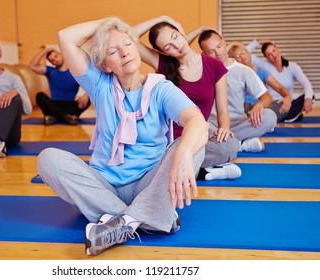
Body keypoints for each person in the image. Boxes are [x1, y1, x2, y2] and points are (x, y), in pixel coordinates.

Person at [37, 17, 209, 256]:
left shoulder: (161, 89)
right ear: (105, 65)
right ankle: (145, 218)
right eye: (113, 51)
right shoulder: (99, 84)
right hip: (104, 185)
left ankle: (123, 222)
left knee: (193, 145)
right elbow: (66, 37)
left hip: (148, 183)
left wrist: (181, 155)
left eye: (128, 45)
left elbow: (197, 121)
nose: (124, 53)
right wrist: (111, 21)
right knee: (48, 158)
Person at [132, 16, 241, 181]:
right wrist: (163, 18)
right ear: (164, 52)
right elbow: (130, 36)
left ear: (181, 32)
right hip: (165, 143)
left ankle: (188, 169)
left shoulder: (215, 66)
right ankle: (201, 172)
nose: (177, 46)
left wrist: (224, 128)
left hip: (196, 140)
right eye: (168, 46)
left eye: (175, 36)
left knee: (229, 146)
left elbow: (222, 111)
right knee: (152, 158)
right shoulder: (163, 65)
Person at [197, 30, 277, 150]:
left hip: (239, 123)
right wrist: (199, 30)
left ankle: (228, 143)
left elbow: (267, 97)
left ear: (223, 41)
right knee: (195, 126)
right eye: (210, 52)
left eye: (219, 46)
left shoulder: (243, 70)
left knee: (270, 117)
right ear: (204, 54)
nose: (217, 53)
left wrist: (259, 105)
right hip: (213, 125)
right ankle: (241, 144)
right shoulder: (201, 70)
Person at [246, 40, 314, 122]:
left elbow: (306, 83)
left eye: (274, 50)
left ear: (277, 49)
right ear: (266, 57)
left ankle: (285, 114)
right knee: (269, 111)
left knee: (310, 96)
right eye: (269, 54)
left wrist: (308, 99)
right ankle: (288, 115)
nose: (273, 55)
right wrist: (259, 41)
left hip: (288, 102)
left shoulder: (292, 66)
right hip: (272, 103)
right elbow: (244, 54)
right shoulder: (264, 65)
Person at [227, 41, 292, 121]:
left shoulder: (261, 71)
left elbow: (279, 88)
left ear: (248, 53)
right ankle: (258, 121)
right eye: (238, 56)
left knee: (281, 105)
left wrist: (288, 97)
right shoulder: (235, 73)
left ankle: (257, 121)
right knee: (267, 116)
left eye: (243, 52)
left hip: (259, 106)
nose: (242, 57)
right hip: (242, 107)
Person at [29, 48, 90, 125]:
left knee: (88, 100)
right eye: (52, 60)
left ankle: (53, 116)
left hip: (69, 105)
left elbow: (90, 85)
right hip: (54, 104)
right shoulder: (50, 71)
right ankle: (67, 117)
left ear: (61, 54)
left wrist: (86, 95)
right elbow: (32, 66)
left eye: (56, 56)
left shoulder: (75, 71)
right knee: (40, 96)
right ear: (52, 63)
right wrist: (45, 51)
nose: (55, 60)